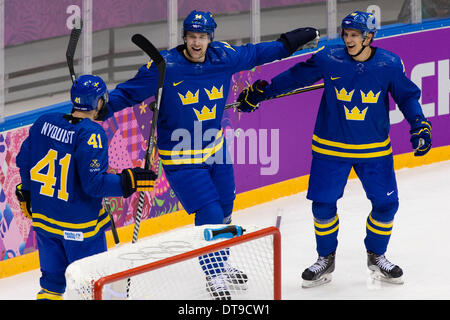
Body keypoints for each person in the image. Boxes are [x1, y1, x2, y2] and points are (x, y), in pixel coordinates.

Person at [102, 10, 319, 299]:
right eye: (191, 36)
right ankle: (214, 275)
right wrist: (97, 108)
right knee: (210, 212)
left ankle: (220, 261)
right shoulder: (165, 66)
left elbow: (256, 53)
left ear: (210, 38)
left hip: (215, 149)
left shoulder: (223, 57)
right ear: (184, 38)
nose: (196, 42)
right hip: (180, 157)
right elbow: (127, 94)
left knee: (226, 208)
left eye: (202, 37)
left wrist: (289, 42)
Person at [236, 11, 432, 288]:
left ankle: (376, 255)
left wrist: (419, 125)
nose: (349, 39)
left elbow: (408, 97)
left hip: (373, 149)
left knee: (387, 204)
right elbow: (295, 77)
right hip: (330, 147)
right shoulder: (330, 58)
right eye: (346, 34)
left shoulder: (389, 64)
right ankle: (325, 258)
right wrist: (263, 92)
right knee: (324, 205)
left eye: (355, 35)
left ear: (369, 37)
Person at [15, 74, 157, 300]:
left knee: (51, 286)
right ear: (99, 102)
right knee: (93, 285)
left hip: (44, 221)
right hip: (79, 227)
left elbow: (23, 161)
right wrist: (128, 181)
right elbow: (94, 184)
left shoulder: (43, 122)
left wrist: (27, 194)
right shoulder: (91, 133)